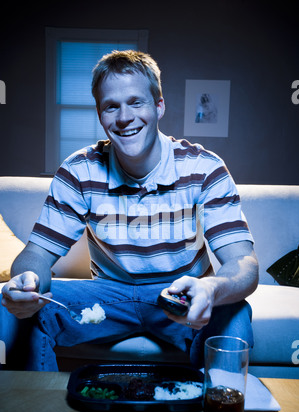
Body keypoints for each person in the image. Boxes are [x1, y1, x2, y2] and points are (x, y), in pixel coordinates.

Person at [0, 50, 258, 371]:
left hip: (181, 295)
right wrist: (26, 282)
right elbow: (36, 254)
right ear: (100, 114)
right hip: (109, 297)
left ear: (159, 105)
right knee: (5, 307)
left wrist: (211, 288)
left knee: (234, 312)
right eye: (111, 106)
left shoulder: (204, 167)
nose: (124, 117)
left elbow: (242, 264)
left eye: (136, 102)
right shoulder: (80, 170)